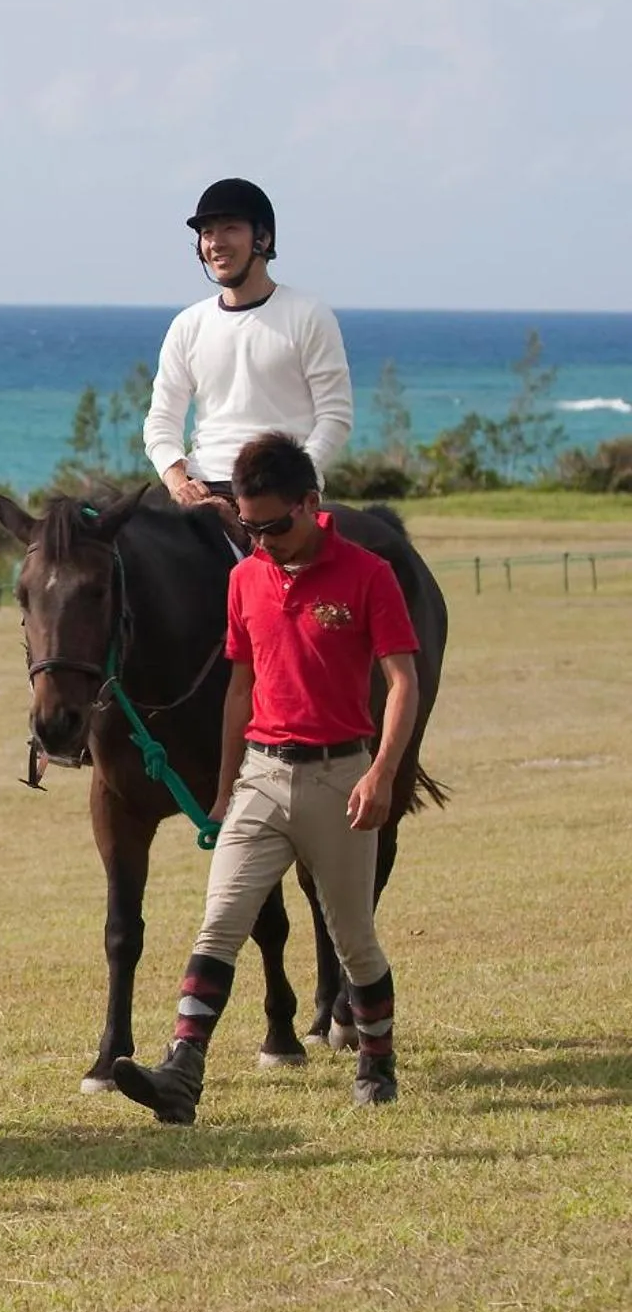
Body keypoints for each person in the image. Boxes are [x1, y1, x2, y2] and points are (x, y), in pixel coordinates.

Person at [113, 432, 419, 1123]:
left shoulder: (368, 574)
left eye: (274, 526)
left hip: (339, 777)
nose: (262, 541)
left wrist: (382, 773)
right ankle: (181, 1072)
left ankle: (377, 1060)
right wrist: (225, 788)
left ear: (310, 504)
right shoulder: (245, 577)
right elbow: (239, 687)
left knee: (353, 938)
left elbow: (403, 683)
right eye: (249, 528)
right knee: (218, 923)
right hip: (260, 776)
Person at [143, 178, 354, 505]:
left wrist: (294, 480)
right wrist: (176, 479)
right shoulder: (188, 325)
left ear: (263, 238)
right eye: (207, 233)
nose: (216, 243)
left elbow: (335, 418)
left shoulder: (308, 314)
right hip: (203, 488)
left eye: (230, 228)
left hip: (283, 494)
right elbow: (161, 419)